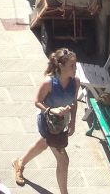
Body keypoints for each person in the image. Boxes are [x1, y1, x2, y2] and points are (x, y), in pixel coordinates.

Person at [12, 48, 79, 193]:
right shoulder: (49, 82)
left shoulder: (75, 82)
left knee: (43, 144)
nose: (75, 68)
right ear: (61, 66)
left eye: (75, 65)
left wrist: (73, 122)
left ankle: (20, 162)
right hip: (48, 123)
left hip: (61, 124)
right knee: (63, 160)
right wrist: (51, 110)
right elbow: (37, 101)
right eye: (72, 66)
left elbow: (74, 103)